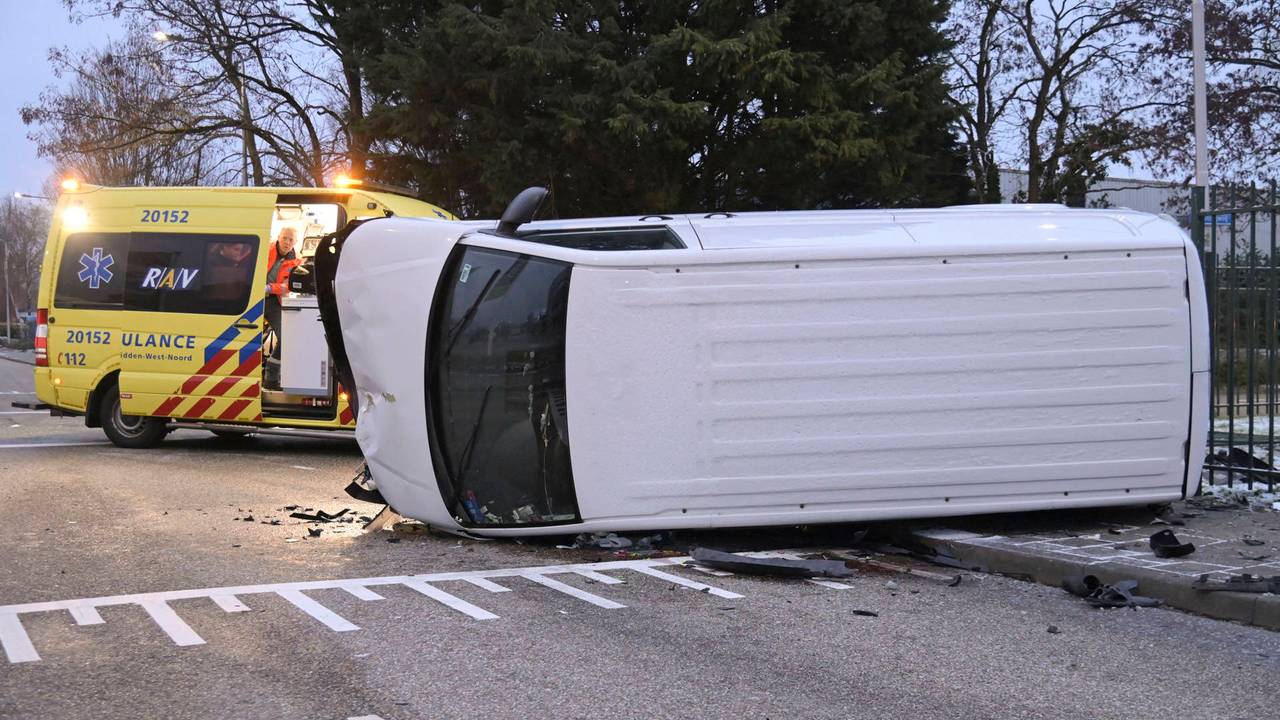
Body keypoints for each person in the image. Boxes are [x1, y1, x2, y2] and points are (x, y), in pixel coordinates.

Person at [264, 228, 301, 389]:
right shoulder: (265, 250)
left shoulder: (297, 263)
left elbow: (288, 287)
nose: (287, 242)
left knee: (287, 338)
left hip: (273, 302)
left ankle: (271, 378)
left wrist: (269, 288)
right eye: (285, 238)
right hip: (252, 299)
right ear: (278, 237)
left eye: (291, 240)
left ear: (295, 243)